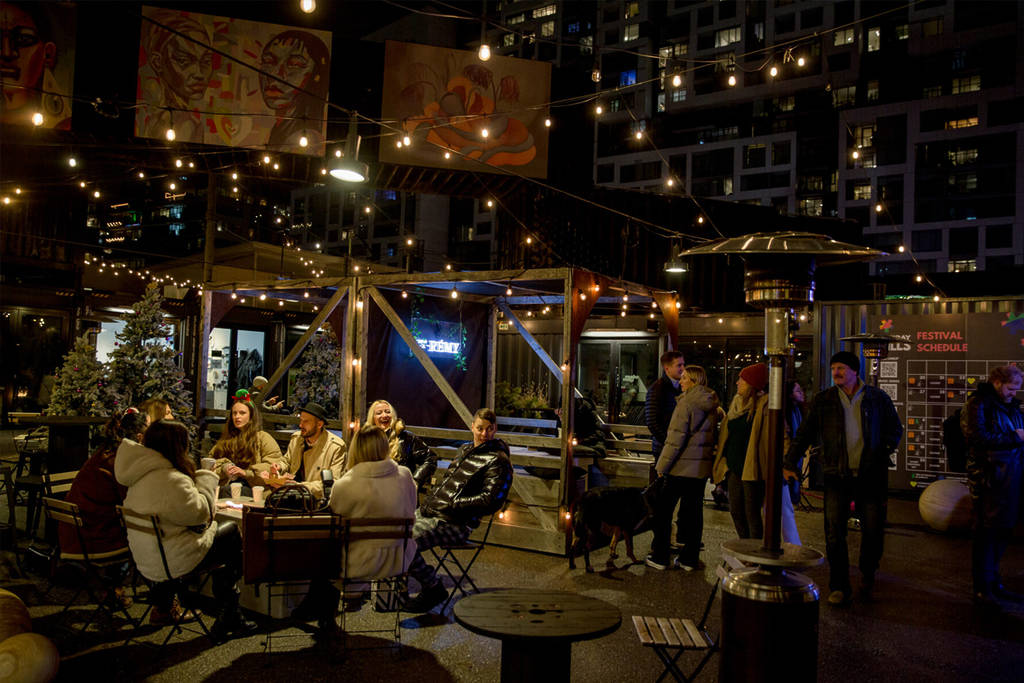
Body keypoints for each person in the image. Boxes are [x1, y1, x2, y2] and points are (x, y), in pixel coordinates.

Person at [115, 420, 256, 640]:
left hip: (147, 559)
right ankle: (230, 612)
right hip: (173, 560)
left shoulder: (141, 475)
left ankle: (229, 612)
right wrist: (207, 477)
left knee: (226, 551)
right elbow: (202, 514)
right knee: (231, 534)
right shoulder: (171, 479)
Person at [783, 351, 903, 606]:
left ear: (855, 371)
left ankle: (868, 571)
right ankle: (839, 586)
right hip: (836, 475)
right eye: (833, 368)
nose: (835, 372)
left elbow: (895, 428)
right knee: (834, 532)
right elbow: (805, 433)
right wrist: (789, 462)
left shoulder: (877, 398)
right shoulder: (824, 400)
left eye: (841, 368)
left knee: (873, 530)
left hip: (870, 476)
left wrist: (882, 451)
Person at [403, 408, 513, 614]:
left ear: (495, 429)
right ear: (472, 427)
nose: (484, 434)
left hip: (456, 523)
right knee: (393, 535)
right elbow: (449, 483)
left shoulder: (498, 460)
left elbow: (491, 500)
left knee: (403, 545)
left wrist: (454, 504)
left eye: (489, 429)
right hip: (434, 512)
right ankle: (395, 591)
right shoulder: (464, 449)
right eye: (480, 428)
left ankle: (433, 587)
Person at [329, 425, 418, 613]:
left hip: (355, 562)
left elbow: (334, 520)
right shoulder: (405, 476)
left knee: (323, 546)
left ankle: (331, 609)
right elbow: (412, 509)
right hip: (398, 558)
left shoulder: (344, 485)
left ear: (356, 449)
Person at [961, 364, 1024, 608]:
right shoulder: (978, 404)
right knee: (986, 535)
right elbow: (975, 438)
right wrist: (1015, 437)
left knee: (1001, 532)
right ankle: (983, 587)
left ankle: (994, 583)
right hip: (989, 479)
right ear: (997, 382)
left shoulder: (1010, 406)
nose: (1014, 393)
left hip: (1010, 477)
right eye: (1011, 388)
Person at [59, 409, 149, 573]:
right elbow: (133, 502)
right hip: (95, 537)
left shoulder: (108, 452)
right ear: (140, 437)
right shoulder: (118, 461)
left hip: (78, 533)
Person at [649, 366, 721, 571]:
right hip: (699, 470)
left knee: (662, 512)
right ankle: (689, 559)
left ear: (694, 381)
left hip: (680, 469)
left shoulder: (686, 403)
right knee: (694, 514)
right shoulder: (711, 404)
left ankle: (660, 556)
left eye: (685, 378)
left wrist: (662, 466)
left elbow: (675, 439)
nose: (681, 382)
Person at [137, 9, 214, 142]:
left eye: (206, 61)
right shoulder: (187, 124)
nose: (199, 73)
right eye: (184, 61)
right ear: (157, 62)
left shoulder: (157, 118)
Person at [712, 363, 768, 540]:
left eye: (741, 380)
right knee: (736, 510)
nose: (737, 383)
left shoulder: (763, 406)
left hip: (752, 467)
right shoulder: (736, 405)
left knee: (752, 513)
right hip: (733, 466)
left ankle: (755, 550)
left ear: (752, 384)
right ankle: (744, 545)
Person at [258, 30, 330, 152]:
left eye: (295, 64)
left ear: (316, 75)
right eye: (268, 62)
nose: (274, 74)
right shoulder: (280, 129)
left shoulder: (305, 138)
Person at [209, 393, 283, 494]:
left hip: (255, 490)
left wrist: (246, 473)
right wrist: (224, 468)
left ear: (251, 416)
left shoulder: (263, 438)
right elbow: (211, 464)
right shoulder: (226, 439)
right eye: (234, 413)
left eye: (242, 413)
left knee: (228, 491)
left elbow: (273, 468)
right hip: (227, 486)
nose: (237, 417)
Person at [271, 401, 346, 499]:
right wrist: (279, 467)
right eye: (301, 420)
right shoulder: (297, 439)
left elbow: (332, 483)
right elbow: (287, 461)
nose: (300, 425)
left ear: (319, 424)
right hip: (290, 496)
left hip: (316, 501)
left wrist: (300, 486)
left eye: (306, 421)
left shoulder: (335, 447)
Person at [366, 399, 437, 492]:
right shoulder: (366, 439)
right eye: (379, 413)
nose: (384, 415)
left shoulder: (407, 438)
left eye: (388, 412)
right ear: (373, 418)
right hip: (374, 492)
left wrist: (415, 481)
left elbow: (430, 459)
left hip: (401, 492)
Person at [645, 351, 686, 459]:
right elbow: (652, 422)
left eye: (683, 364)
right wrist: (668, 441)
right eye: (679, 365)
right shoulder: (657, 389)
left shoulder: (682, 387)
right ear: (667, 368)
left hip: (677, 445)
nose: (683, 368)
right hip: (663, 447)